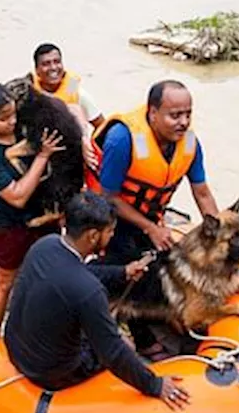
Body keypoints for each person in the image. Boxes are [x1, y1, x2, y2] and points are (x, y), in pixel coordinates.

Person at [4, 191, 189, 407]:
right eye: (110, 231)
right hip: (51, 372)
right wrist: (155, 385)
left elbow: (78, 272)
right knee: (127, 345)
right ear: (93, 236)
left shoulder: (46, 245)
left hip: (16, 349)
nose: (111, 236)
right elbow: (113, 352)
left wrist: (123, 272)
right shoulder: (88, 292)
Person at [93, 79, 220, 359]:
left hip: (152, 214)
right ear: (152, 113)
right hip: (112, 218)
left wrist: (217, 235)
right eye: (175, 115)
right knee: (131, 273)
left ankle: (176, 319)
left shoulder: (190, 144)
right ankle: (142, 338)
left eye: (188, 113)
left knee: (169, 266)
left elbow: (201, 192)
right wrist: (150, 228)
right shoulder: (122, 139)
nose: (183, 122)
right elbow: (108, 197)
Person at [0, 82, 65, 336]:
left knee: (51, 272)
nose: (12, 122)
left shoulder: (22, 123)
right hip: (10, 221)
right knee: (5, 281)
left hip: (43, 213)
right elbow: (17, 196)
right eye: (4, 119)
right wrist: (42, 157)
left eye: (14, 114)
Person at [31, 43, 104, 169]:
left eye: (57, 62)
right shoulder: (29, 94)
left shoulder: (78, 94)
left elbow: (102, 126)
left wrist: (89, 147)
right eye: (46, 64)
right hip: (40, 154)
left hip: (72, 153)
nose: (53, 67)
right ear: (37, 70)